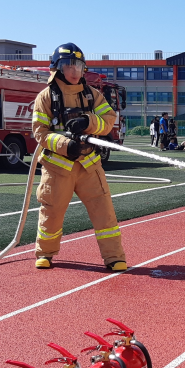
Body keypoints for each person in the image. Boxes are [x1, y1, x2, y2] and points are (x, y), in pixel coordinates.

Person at [31, 42, 127, 272]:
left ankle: (114, 257)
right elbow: (40, 133)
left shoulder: (92, 95)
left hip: (89, 165)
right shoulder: (45, 97)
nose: (75, 71)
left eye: (78, 66)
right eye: (69, 66)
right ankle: (45, 253)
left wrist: (89, 122)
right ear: (57, 68)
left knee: (105, 213)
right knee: (51, 213)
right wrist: (65, 145)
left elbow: (109, 120)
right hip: (57, 167)